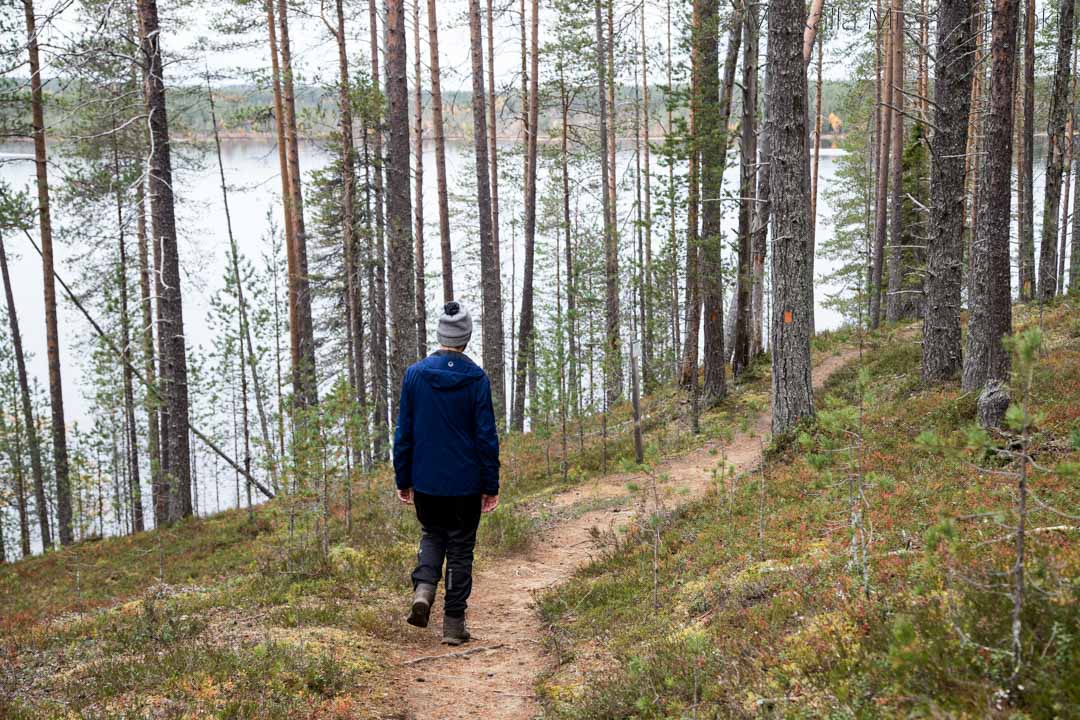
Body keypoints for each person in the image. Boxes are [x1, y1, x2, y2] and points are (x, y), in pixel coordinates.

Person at [393, 301, 500, 645]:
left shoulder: (414, 375)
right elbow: (486, 437)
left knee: (432, 535)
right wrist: (490, 484)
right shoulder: (477, 379)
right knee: (460, 548)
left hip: (426, 481)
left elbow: (404, 433)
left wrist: (403, 478)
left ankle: (424, 590)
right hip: (466, 485)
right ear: (466, 337)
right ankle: (453, 625)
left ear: (440, 335)